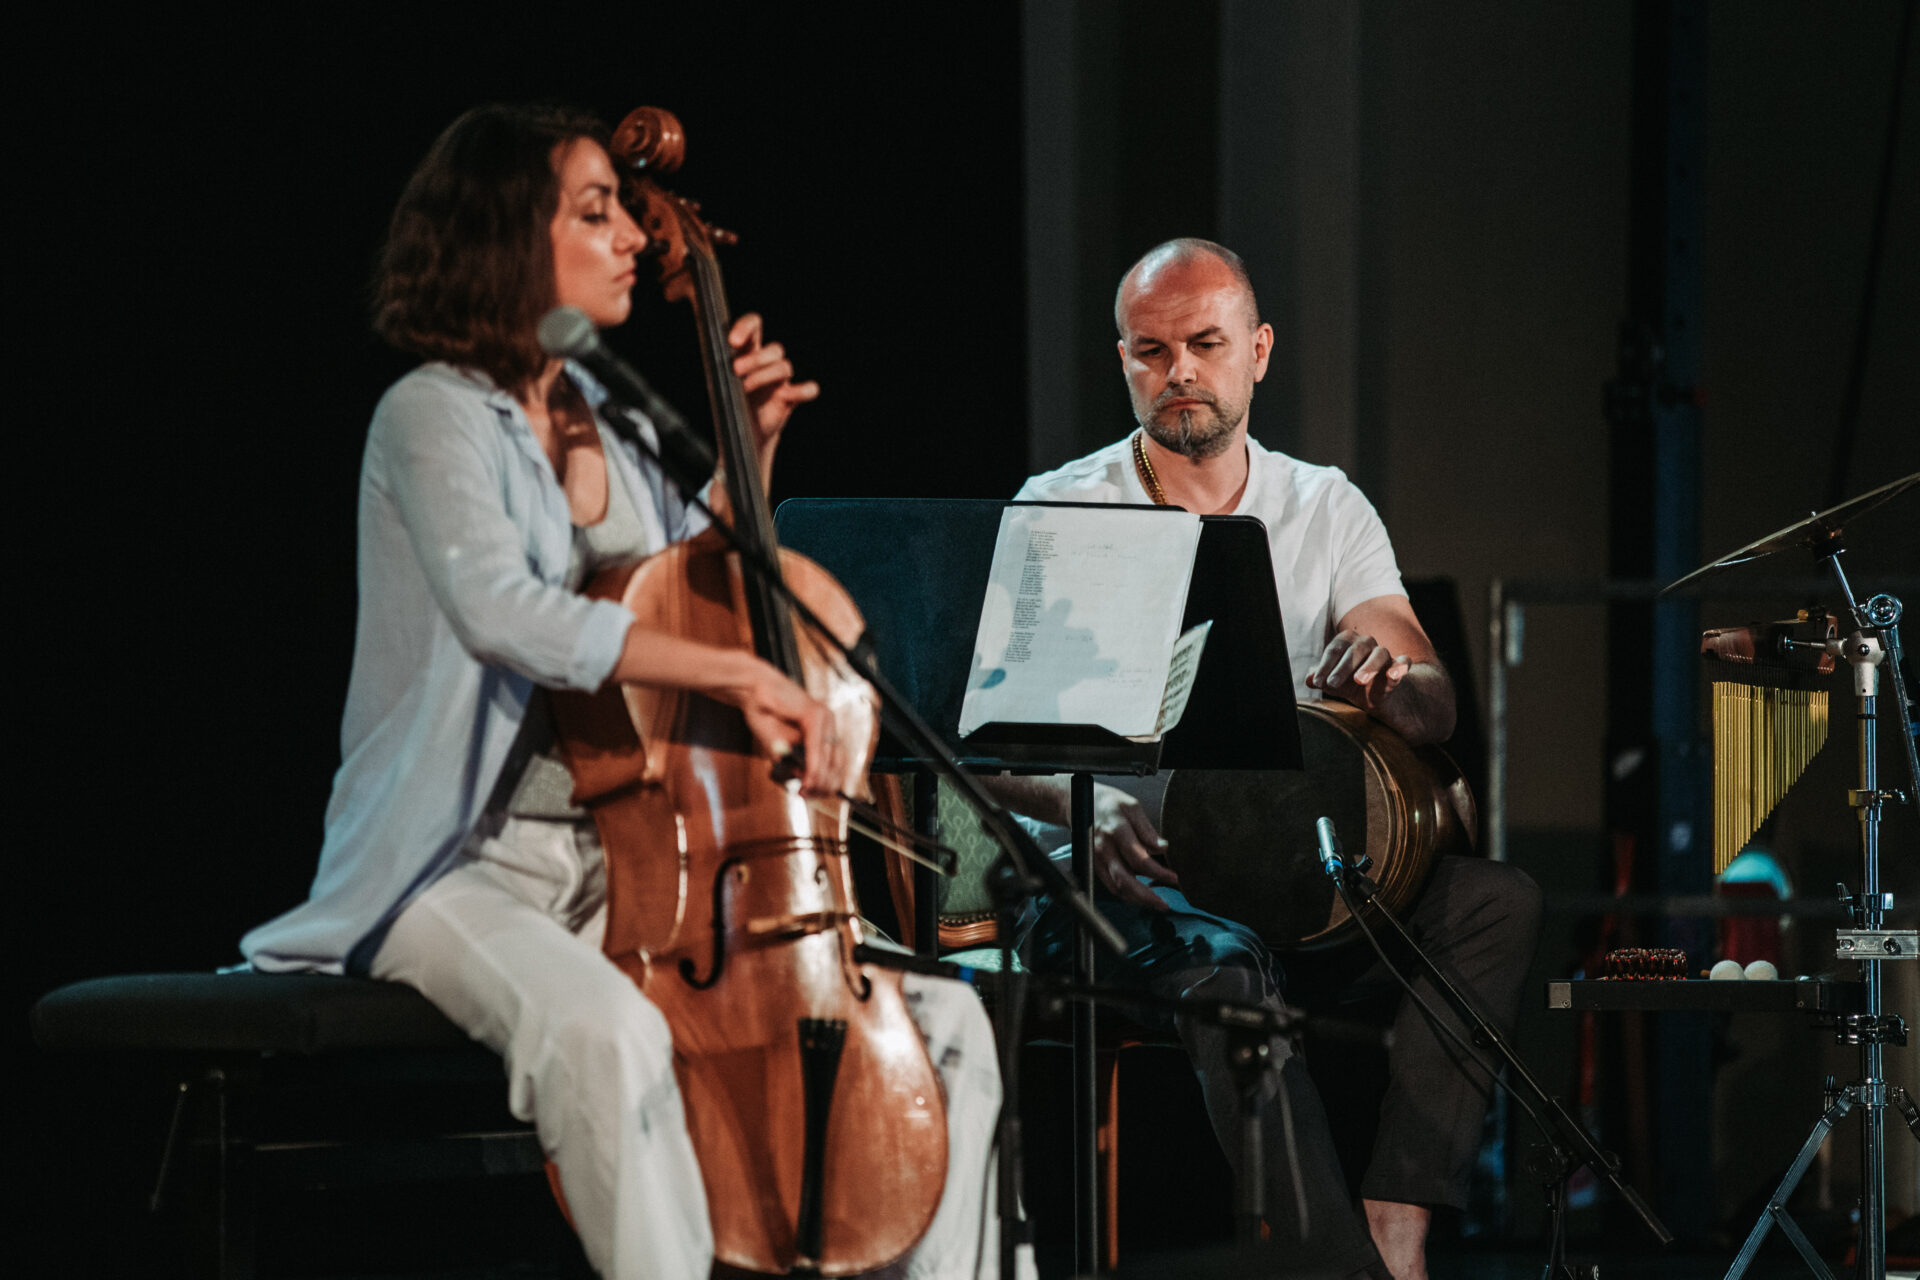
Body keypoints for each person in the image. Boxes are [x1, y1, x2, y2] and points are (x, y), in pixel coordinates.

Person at [242, 104, 1019, 1280]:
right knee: (604, 1033)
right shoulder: (431, 413)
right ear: (506, 232)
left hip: (635, 865)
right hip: (459, 866)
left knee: (947, 1026)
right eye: (594, 211)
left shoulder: (601, 411)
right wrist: (743, 672)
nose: (632, 242)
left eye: (623, 211)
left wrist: (744, 456)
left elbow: (673, 593)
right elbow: (511, 612)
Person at [992, 238, 1541, 1279]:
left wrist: (1394, 679)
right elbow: (989, 747)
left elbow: (1433, 702)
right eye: (1152, 351)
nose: (1181, 371)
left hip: (1290, 875)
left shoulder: (1322, 505)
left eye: (1205, 343)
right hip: (1122, 874)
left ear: (1260, 350)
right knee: (1229, 966)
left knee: (1492, 900)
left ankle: (1397, 1227)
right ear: (1125, 360)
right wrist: (1084, 810)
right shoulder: (1064, 506)